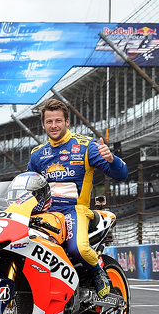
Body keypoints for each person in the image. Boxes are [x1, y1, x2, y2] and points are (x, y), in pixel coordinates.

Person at [27, 98, 128, 299]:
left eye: (58, 121)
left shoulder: (86, 146)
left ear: (67, 122)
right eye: (49, 122)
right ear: (43, 124)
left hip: (75, 211)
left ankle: (98, 271)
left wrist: (111, 159)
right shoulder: (37, 155)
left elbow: (121, 174)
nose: (53, 126)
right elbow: (28, 187)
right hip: (45, 214)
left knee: (78, 249)